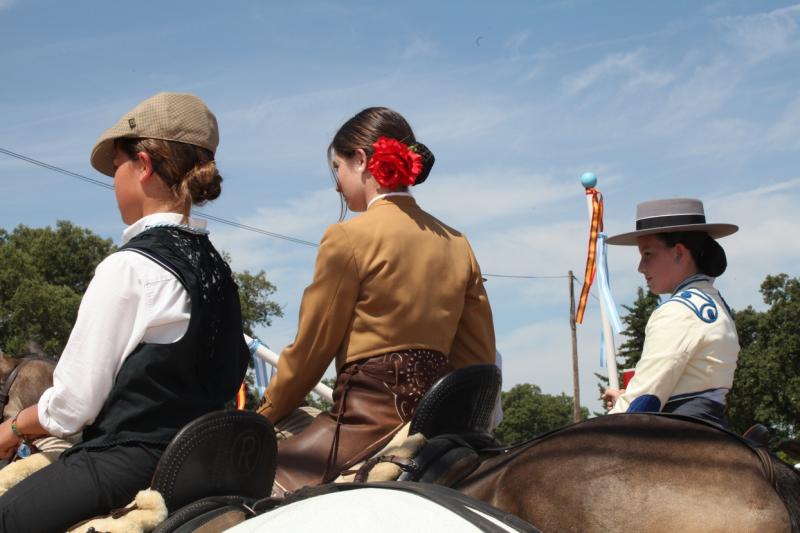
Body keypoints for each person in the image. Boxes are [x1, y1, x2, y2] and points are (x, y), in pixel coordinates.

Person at [0, 92, 250, 531]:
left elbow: (73, 406)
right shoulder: (219, 272)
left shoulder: (129, 268)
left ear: (145, 165)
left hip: (130, 464)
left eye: (117, 166)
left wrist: (15, 429)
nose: (114, 179)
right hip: (208, 463)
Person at [257, 107, 496, 493]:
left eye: (337, 167)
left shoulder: (347, 238)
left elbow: (310, 354)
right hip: (438, 433)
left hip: (361, 430)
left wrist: (264, 414)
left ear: (362, 160)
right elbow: (477, 359)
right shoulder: (458, 242)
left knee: (245, 491)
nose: (336, 184)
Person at [602, 198, 739, 427]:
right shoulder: (717, 304)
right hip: (715, 430)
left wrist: (604, 425)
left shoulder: (678, 311)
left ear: (679, 252)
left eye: (647, 254)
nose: (640, 267)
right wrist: (623, 399)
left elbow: (644, 401)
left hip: (680, 439)